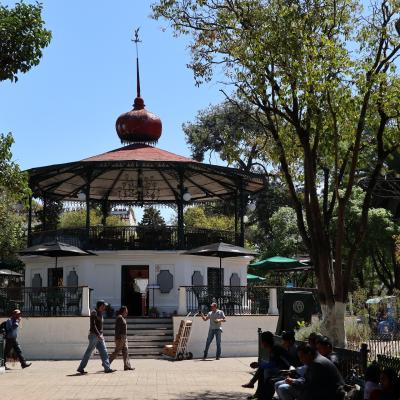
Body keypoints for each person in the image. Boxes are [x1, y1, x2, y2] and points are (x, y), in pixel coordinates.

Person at [242, 331, 290, 400]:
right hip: (279, 369)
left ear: (265, 342)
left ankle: (259, 392)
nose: (261, 343)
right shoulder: (273, 348)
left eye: (262, 341)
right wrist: (260, 365)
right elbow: (273, 364)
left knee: (264, 370)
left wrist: (259, 364)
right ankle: (257, 392)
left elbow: (273, 364)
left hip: (284, 371)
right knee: (262, 369)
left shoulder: (275, 349)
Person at [77, 300, 115, 374]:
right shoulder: (94, 312)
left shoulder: (100, 313)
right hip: (94, 335)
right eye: (104, 306)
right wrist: (98, 334)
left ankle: (107, 368)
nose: (105, 307)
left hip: (99, 336)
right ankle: (81, 368)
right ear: (101, 306)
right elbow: (93, 325)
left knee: (104, 352)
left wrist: (101, 334)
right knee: (89, 352)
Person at [109, 306, 134, 371]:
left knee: (125, 351)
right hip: (120, 338)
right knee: (117, 352)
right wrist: (118, 338)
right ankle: (106, 363)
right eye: (126, 311)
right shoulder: (119, 317)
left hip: (123, 337)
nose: (127, 312)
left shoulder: (122, 318)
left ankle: (127, 366)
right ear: (123, 311)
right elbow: (117, 329)